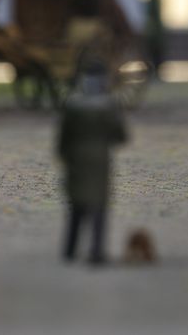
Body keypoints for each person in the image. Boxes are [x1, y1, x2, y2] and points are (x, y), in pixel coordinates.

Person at [57, 57, 129, 266]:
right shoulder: (108, 105)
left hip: (77, 157)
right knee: (98, 205)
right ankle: (96, 250)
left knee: (76, 205)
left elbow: (64, 135)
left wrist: (64, 154)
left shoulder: (73, 104)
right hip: (99, 158)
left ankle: (70, 249)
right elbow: (120, 135)